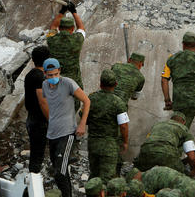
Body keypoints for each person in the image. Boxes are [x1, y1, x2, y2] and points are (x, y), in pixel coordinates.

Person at [42, 58, 91, 197]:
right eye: (50, 75)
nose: (53, 78)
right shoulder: (45, 85)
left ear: (59, 71)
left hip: (67, 133)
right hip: (52, 134)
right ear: (45, 74)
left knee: (60, 172)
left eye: (56, 74)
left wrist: (82, 123)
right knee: (59, 170)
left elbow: (86, 101)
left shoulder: (68, 83)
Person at [87, 70, 129, 183]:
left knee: (94, 176)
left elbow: (84, 117)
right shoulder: (119, 103)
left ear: (100, 84)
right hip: (109, 146)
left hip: (93, 143)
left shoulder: (91, 99)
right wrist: (125, 142)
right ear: (115, 84)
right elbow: (123, 126)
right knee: (107, 179)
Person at [47, 1, 86, 89]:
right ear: (72, 29)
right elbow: (81, 28)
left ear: (59, 28)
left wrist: (62, 12)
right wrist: (74, 11)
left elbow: (53, 27)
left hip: (56, 81)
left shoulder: (51, 39)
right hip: (74, 82)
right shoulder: (77, 40)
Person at [24, 46, 50, 173]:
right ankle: (33, 186)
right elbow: (43, 101)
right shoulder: (39, 77)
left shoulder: (30, 74)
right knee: (37, 156)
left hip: (32, 118)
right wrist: (51, 120)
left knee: (36, 153)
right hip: (38, 121)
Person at [130, 166, 195, 196]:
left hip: (184, 191)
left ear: (135, 177)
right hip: (194, 186)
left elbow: (146, 195)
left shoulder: (147, 178)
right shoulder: (153, 170)